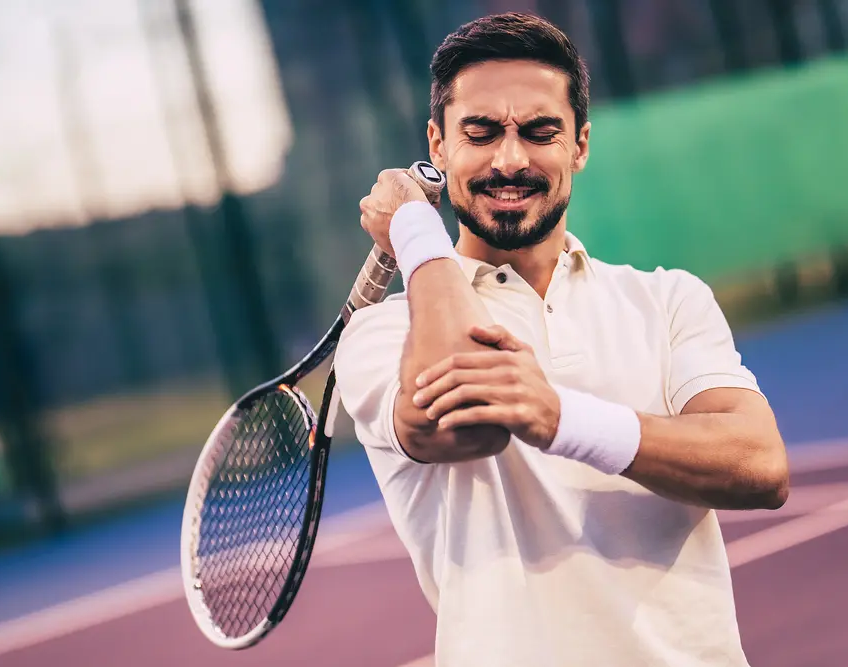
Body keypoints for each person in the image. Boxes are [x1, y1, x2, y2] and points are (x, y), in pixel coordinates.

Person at [332, 11, 790, 667]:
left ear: (579, 145)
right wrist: (415, 234)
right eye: (481, 133)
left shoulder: (667, 299)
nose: (511, 158)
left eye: (540, 132)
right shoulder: (383, 334)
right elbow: (468, 424)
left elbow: (760, 465)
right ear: (437, 145)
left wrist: (559, 416)